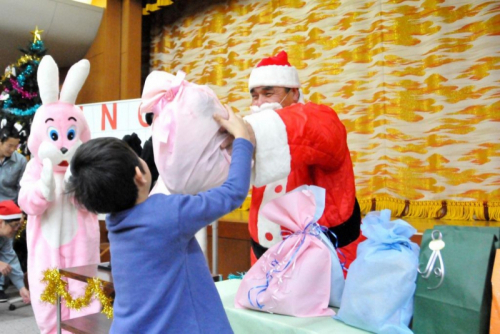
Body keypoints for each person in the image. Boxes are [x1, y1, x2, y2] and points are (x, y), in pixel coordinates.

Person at [66, 106, 253, 333]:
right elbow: (231, 193)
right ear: (139, 175)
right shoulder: (166, 214)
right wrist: (243, 138)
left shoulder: (116, 222)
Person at [234, 50, 362, 270]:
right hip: (264, 262)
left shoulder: (319, 119)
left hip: (325, 266)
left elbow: (313, 129)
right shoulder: (259, 141)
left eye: (268, 93)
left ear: (293, 92)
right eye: (255, 96)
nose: (260, 102)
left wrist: (248, 131)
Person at [0, 200, 30, 304]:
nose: (16, 229)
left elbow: (11, 260)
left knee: (6, 266)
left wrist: (21, 287)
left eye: (18, 226)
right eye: (14, 225)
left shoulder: (5, 238)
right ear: (1, 222)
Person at [0, 125, 27, 204]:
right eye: (10, 146)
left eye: (15, 146)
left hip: (11, 206)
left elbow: (22, 187)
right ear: (0, 142)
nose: (12, 149)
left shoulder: (21, 161)